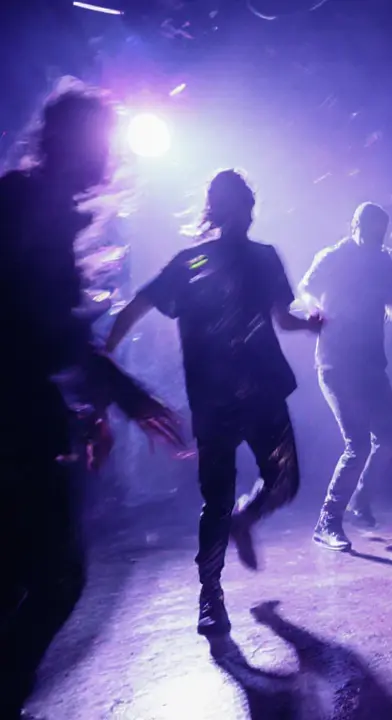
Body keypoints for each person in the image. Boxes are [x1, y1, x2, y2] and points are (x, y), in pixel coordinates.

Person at [0, 79, 183, 716]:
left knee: (38, 574)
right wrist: (126, 397)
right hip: (14, 421)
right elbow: (46, 326)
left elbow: (47, 332)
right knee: (52, 577)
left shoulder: (30, 202)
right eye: (101, 141)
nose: (109, 158)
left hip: (26, 416)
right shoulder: (27, 208)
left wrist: (91, 407)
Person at [106, 169, 322, 637]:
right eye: (236, 203)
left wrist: (309, 325)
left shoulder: (265, 259)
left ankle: (246, 520)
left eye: (245, 202)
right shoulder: (189, 264)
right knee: (217, 499)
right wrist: (99, 366)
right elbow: (136, 308)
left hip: (263, 391)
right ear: (224, 210)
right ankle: (210, 595)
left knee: (285, 482)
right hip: (215, 400)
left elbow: (283, 320)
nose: (242, 211)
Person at [299, 202, 392, 551]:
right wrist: (314, 308)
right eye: (371, 231)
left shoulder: (383, 260)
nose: (377, 239)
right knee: (358, 444)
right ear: (355, 226)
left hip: (370, 363)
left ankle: (359, 498)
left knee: (389, 439)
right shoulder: (333, 256)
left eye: (382, 233)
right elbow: (305, 288)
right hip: (336, 363)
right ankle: (328, 521)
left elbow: (387, 299)